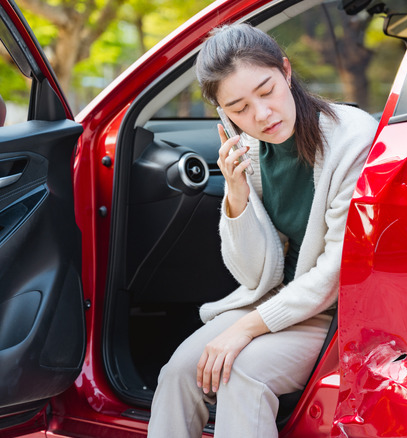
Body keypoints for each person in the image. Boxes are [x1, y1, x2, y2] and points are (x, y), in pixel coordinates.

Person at [147, 23, 378, 438]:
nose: (261, 115)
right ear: (222, 112)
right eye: (238, 108)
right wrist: (236, 197)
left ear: (286, 72)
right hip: (277, 301)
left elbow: (334, 274)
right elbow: (253, 276)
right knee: (181, 371)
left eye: (267, 90)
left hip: (335, 314)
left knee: (242, 376)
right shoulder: (248, 151)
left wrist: (243, 329)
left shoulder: (351, 137)